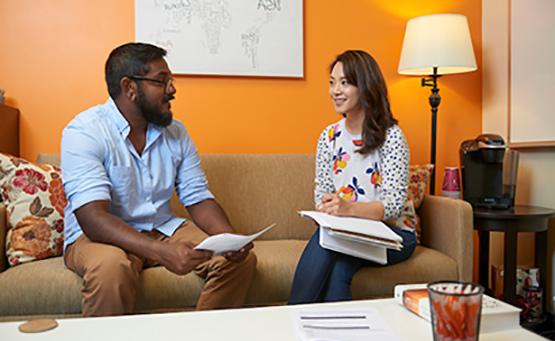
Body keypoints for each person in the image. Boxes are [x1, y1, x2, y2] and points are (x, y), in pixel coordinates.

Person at [61, 42, 256, 317]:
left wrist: (229, 238)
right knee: (110, 269)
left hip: (161, 227)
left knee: (237, 260)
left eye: (171, 80)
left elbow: (198, 196)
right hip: (100, 235)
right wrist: (159, 252)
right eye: (161, 81)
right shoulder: (84, 132)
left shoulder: (176, 132)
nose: (172, 90)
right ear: (130, 88)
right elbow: (92, 218)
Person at [288, 50, 417, 304]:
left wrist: (349, 209)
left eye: (344, 82)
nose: (335, 90)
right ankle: (328, 335)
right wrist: (329, 208)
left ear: (365, 86)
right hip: (345, 231)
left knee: (332, 251)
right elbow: (321, 192)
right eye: (332, 82)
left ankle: (293, 320)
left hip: (394, 234)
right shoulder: (328, 137)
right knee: (336, 262)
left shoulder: (391, 137)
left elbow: (392, 206)